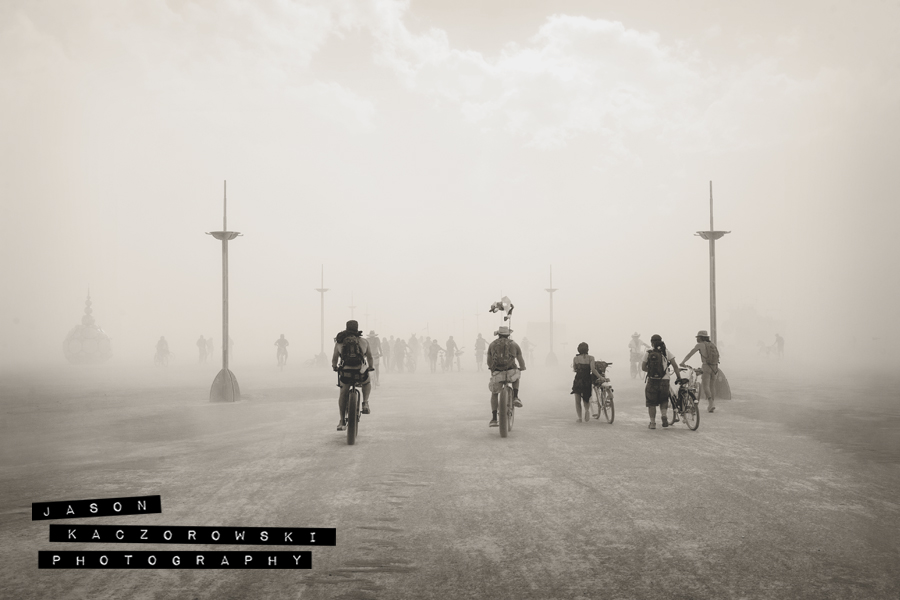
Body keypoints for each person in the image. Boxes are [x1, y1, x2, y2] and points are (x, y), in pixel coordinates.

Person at [331, 320, 374, 431]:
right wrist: (370, 367)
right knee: (367, 382)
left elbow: (334, 359)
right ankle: (365, 403)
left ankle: (342, 420)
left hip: (346, 373)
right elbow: (370, 357)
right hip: (360, 372)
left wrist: (334, 367)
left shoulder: (339, 342)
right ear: (357, 328)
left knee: (343, 393)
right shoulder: (364, 341)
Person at [486, 326, 526, 427]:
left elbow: (489, 360)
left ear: (498, 334)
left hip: (498, 373)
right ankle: (516, 396)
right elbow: (520, 359)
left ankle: (494, 418)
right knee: (517, 375)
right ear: (508, 335)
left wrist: (492, 370)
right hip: (511, 372)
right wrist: (522, 367)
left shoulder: (492, 345)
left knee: (494, 394)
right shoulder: (514, 344)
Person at [641, 334, 683, 430]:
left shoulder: (648, 352)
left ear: (651, 342)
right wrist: (678, 377)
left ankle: (652, 423)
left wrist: (652, 372)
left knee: (651, 403)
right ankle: (664, 415)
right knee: (664, 399)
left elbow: (643, 368)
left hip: (652, 380)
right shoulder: (666, 352)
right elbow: (675, 366)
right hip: (665, 380)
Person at [681, 330, 720, 413]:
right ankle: (711, 404)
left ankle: (711, 403)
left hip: (706, 366)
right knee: (712, 386)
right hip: (715, 367)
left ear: (701, 337)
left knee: (705, 385)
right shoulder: (712, 345)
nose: (696, 339)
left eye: (697, 337)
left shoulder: (700, 345)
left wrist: (683, 362)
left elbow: (690, 354)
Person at [571, 342, 604, 423]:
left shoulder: (575, 358)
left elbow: (574, 369)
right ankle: (586, 410)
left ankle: (579, 418)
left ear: (578, 349)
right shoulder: (591, 358)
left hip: (578, 380)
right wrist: (600, 377)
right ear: (587, 349)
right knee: (586, 397)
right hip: (587, 380)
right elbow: (593, 370)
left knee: (577, 400)